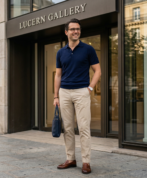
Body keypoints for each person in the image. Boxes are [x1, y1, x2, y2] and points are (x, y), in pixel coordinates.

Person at [54, 19, 101, 174]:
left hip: (82, 91)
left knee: (84, 128)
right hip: (64, 93)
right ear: (66, 32)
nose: (76, 31)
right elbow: (58, 76)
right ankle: (71, 159)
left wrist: (89, 88)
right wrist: (56, 96)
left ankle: (86, 161)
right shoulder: (60, 52)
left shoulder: (88, 49)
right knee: (68, 128)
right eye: (73, 29)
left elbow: (98, 71)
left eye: (78, 29)